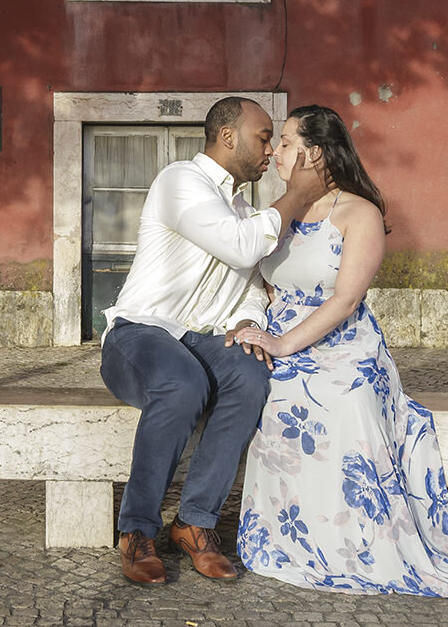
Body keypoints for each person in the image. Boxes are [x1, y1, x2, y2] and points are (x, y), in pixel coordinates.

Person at [233, 105, 448, 601]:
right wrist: (257, 327)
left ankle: (355, 539)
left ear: (316, 152)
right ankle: (289, 533)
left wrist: (285, 344)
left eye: (286, 141)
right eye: (278, 141)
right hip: (279, 326)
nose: (276, 151)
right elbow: (258, 281)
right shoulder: (278, 211)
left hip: (344, 340)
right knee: (266, 387)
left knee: (342, 397)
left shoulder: (359, 213)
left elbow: (346, 299)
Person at [100, 96, 330, 585]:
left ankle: (194, 522)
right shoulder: (180, 180)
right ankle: (137, 530)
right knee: (182, 384)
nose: (269, 150)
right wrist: (298, 197)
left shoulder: (244, 208)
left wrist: (247, 325)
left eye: (273, 140)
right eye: (263, 137)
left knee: (250, 375)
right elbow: (240, 245)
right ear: (228, 136)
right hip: (140, 332)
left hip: (200, 340)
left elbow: (249, 288)